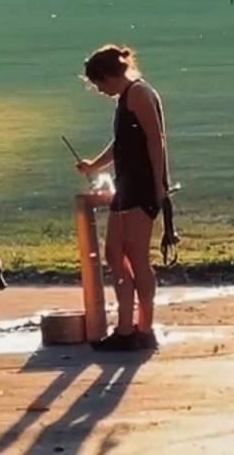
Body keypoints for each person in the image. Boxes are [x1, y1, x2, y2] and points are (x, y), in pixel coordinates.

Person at [75, 45, 176, 352]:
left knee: (136, 257)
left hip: (141, 186)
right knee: (115, 254)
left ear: (108, 76)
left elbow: (155, 141)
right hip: (127, 185)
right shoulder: (127, 98)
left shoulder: (139, 94)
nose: (99, 90)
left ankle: (141, 329)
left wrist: (159, 185)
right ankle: (126, 326)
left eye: (98, 84)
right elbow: (122, 143)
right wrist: (95, 165)